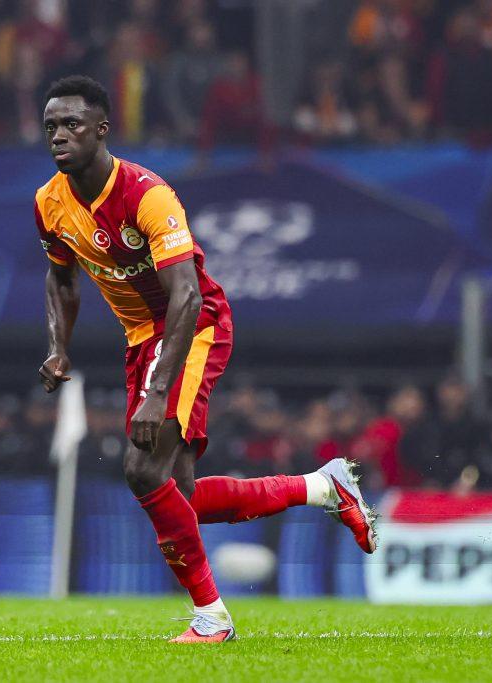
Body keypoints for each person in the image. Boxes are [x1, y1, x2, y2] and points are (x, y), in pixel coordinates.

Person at [34, 76, 377, 643]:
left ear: (102, 129)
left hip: (193, 326)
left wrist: (154, 394)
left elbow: (188, 296)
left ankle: (211, 617)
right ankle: (323, 488)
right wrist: (57, 346)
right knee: (182, 496)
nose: (59, 136)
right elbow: (60, 276)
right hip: (142, 338)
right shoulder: (50, 202)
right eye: (51, 127)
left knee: (142, 468)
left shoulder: (148, 194)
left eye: (72, 124)